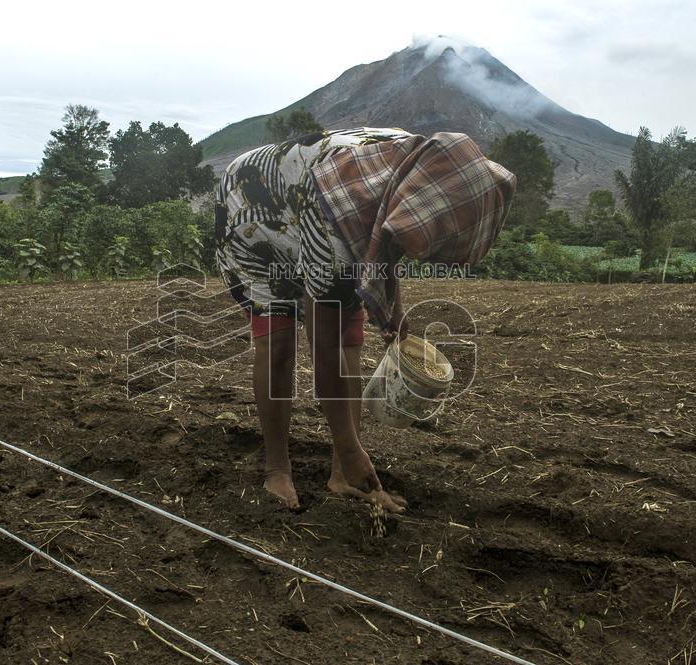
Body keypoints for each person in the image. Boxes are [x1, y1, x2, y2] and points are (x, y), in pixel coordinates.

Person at [215, 128, 516, 512]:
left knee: (350, 337)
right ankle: (278, 468)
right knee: (279, 343)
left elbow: (389, 236)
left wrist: (395, 308)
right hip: (253, 212)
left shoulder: (421, 161)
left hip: (317, 208)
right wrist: (352, 448)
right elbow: (323, 353)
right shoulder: (334, 229)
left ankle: (342, 474)